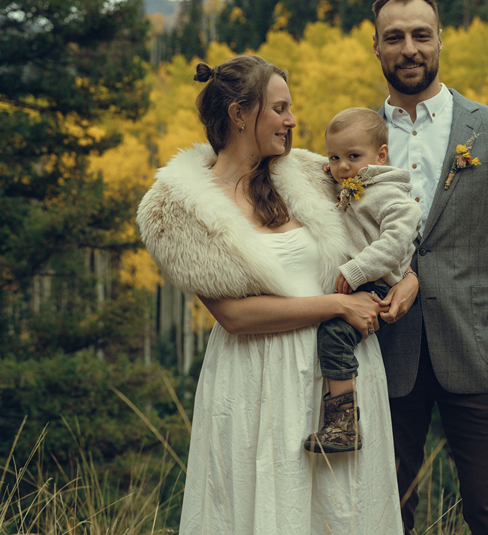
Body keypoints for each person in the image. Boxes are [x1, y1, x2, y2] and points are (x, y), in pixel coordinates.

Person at [136, 55, 406, 534]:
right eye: (279, 108)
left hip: (338, 378)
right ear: (241, 114)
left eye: (290, 108)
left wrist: (410, 280)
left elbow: (392, 221)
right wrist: (339, 304)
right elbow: (235, 317)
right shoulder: (178, 206)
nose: (292, 120)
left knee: (344, 514)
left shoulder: (311, 173)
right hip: (255, 381)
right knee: (260, 509)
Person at [369, 1, 488, 534]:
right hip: (381, 353)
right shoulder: (351, 140)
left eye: (421, 35)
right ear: (375, 46)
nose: (409, 49)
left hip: (482, 355)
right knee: (381, 517)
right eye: (395, 37)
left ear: (440, 40)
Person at [304, 107, 422, 454]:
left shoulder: (389, 195)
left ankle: (343, 426)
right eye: (334, 157)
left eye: (353, 157)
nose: (342, 167)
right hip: (362, 282)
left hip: (377, 285)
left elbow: (397, 242)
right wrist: (333, 172)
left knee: (335, 336)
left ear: (381, 155)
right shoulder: (355, 186)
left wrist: (356, 270)